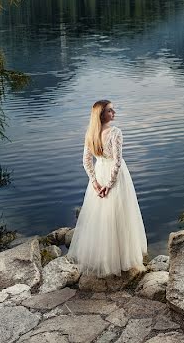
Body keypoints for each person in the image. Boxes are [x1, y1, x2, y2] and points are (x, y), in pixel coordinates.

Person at [68, 99, 147, 275]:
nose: (114, 113)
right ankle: (122, 258)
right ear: (102, 114)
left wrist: (95, 183)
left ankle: (103, 257)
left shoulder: (91, 133)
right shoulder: (115, 132)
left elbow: (86, 161)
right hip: (115, 176)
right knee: (120, 214)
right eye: (110, 110)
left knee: (101, 216)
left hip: (99, 173)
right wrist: (109, 185)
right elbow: (117, 162)